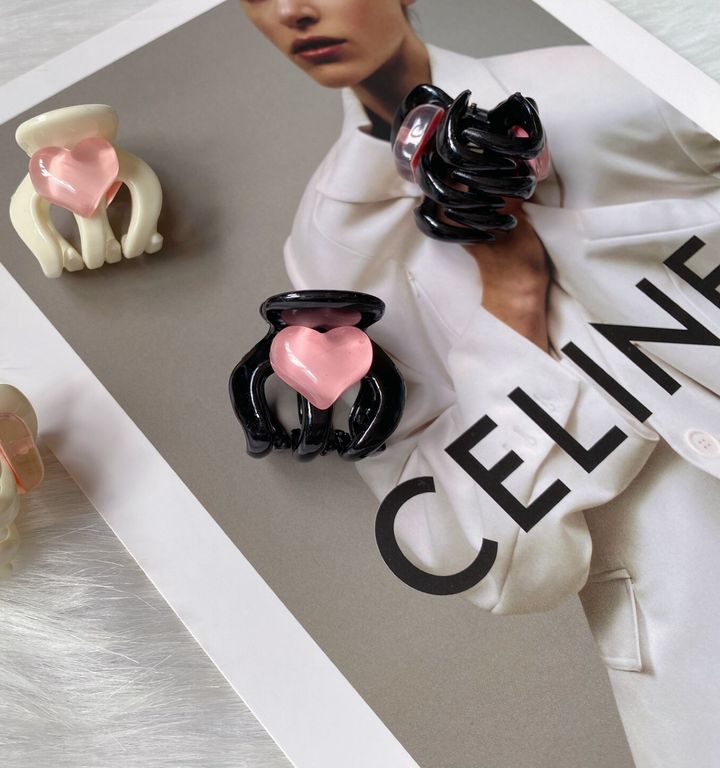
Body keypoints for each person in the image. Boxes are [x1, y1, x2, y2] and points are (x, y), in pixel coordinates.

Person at [241, 1, 720, 766]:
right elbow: (481, 558)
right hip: (693, 646)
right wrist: (512, 308)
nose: (294, 10)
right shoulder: (331, 251)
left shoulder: (610, 86)